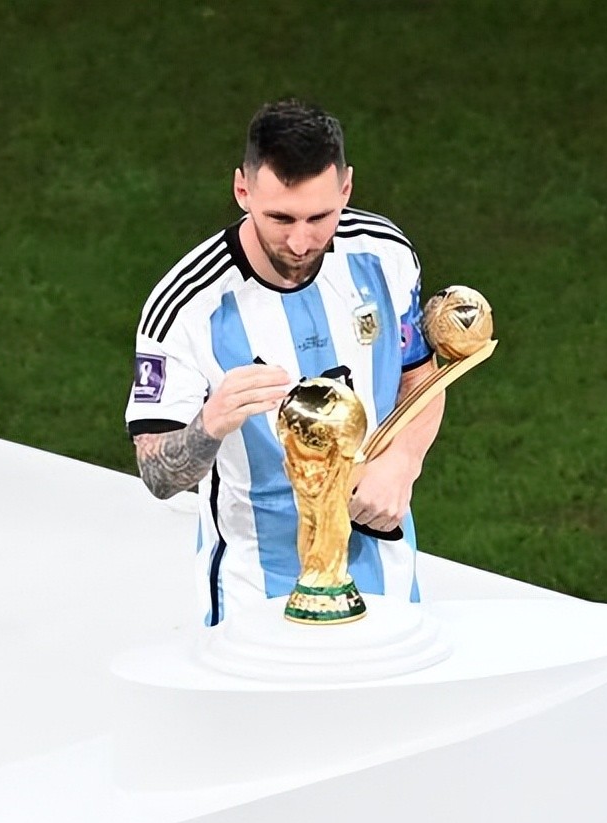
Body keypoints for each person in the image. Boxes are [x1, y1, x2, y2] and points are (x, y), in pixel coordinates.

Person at [125, 99, 444, 625]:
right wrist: (209, 424)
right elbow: (157, 474)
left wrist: (403, 462)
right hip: (257, 590)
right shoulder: (187, 306)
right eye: (280, 218)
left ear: (346, 189)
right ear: (242, 191)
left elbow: (420, 376)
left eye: (320, 217)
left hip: (384, 573)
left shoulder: (384, 255)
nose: (300, 241)